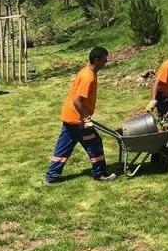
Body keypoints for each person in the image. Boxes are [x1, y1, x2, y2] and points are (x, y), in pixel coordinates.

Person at [43, 47, 117, 184]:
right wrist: (85, 117)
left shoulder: (88, 71)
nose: (106, 61)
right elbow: (77, 99)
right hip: (77, 120)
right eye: (104, 59)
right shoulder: (88, 76)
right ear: (96, 60)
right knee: (94, 144)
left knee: (65, 147)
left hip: (72, 117)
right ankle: (99, 173)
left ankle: (51, 176)